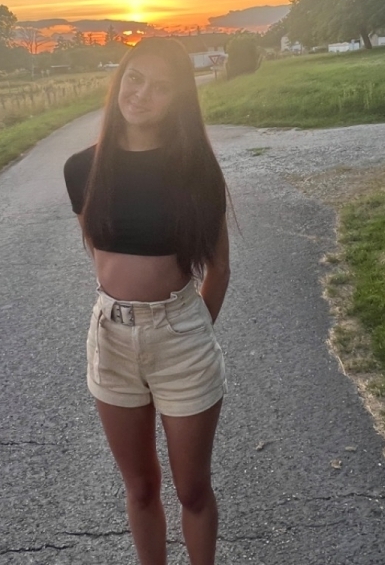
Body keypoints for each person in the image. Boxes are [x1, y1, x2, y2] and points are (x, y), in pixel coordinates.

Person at [63, 37, 230, 565]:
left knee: (192, 490)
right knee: (139, 488)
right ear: (119, 80)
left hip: (181, 336)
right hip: (110, 339)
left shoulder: (196, 170)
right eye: (134, 78)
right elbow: (99, 251)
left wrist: (190, 331)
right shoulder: (81, 169)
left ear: (178, 98)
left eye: (160, 87)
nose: (141, 94)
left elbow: (219, 269)